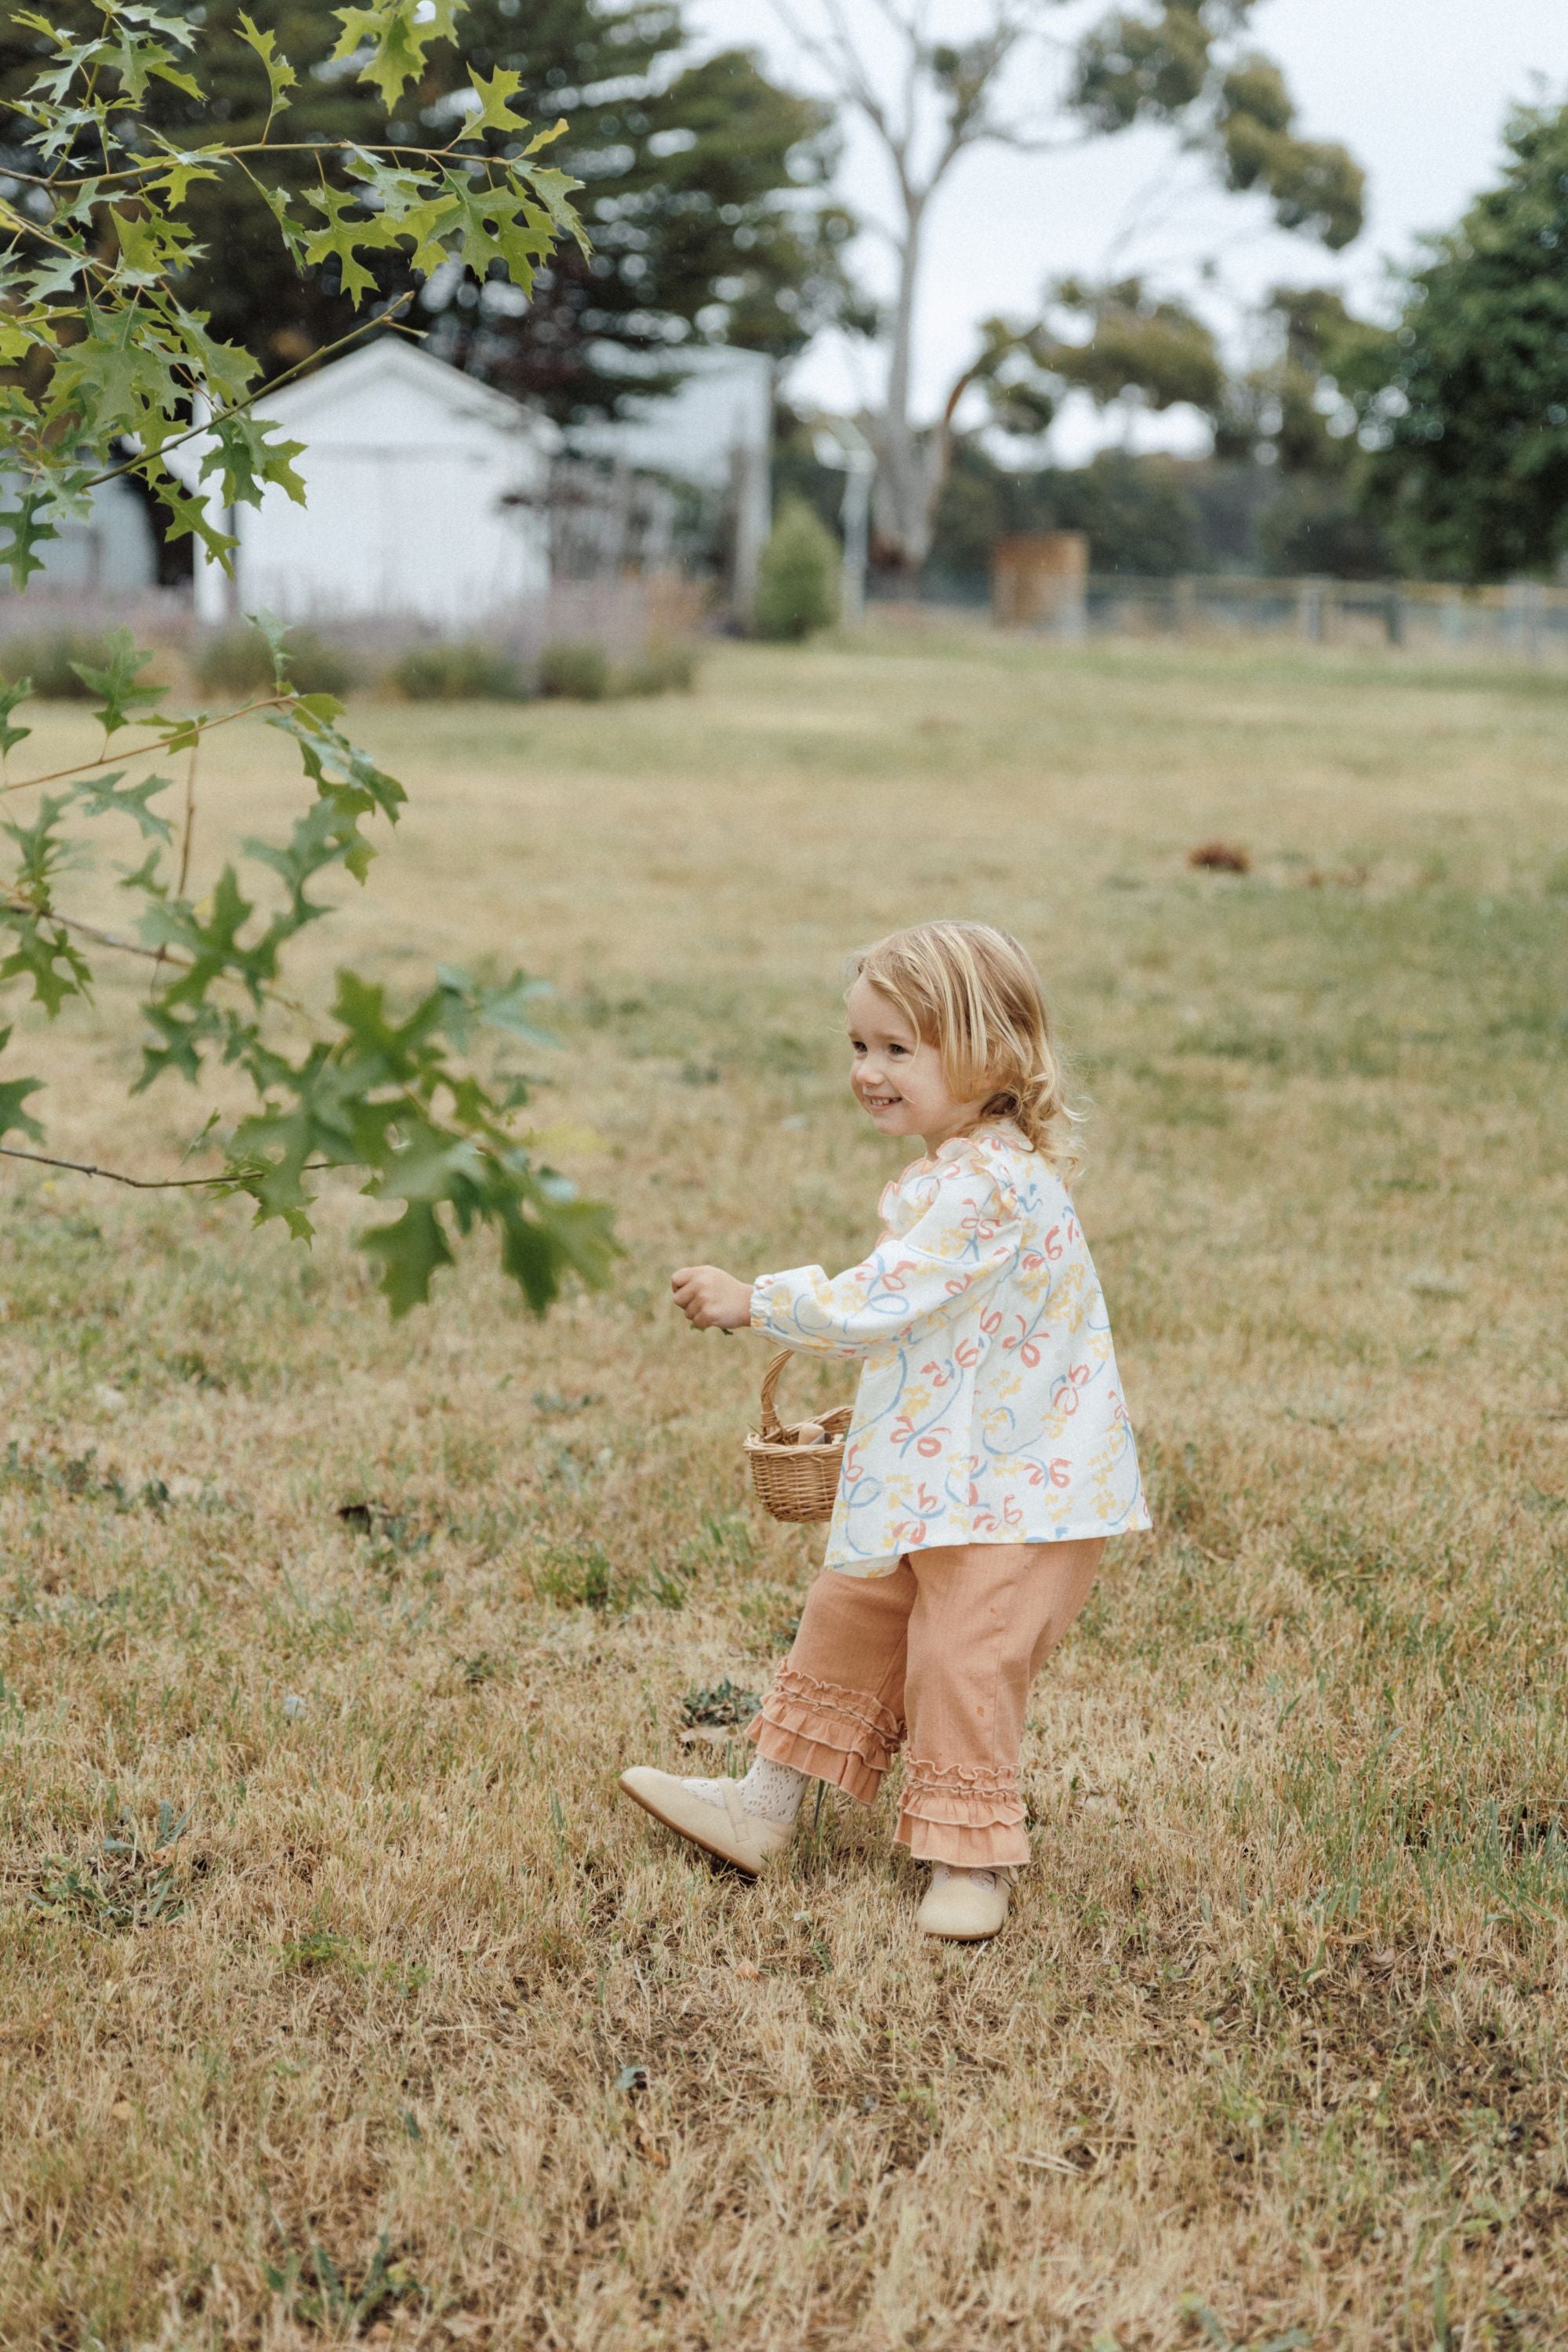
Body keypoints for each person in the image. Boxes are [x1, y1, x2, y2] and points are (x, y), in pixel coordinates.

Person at [620, 920, 1150, 1943]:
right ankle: (762, 1806)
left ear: (992, 1053)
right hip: (948, 1469)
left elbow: (888, 1298)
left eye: (898, 1049)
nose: (869, 1070)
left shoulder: (989, 1185)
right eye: (859, 1046)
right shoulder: (953, 1169)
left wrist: (756, 1302)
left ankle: (971, 1857)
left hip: (1023, 1488)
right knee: (850, 1608)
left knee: (964, 1651)